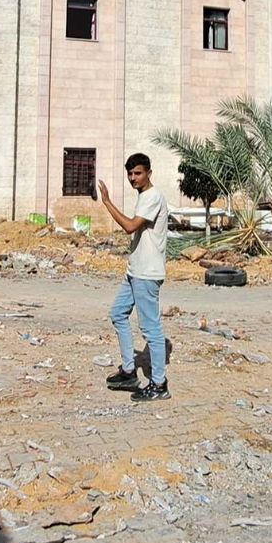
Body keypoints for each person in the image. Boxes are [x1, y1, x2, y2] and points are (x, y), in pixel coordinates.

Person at [98, 152, 171, 402]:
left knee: (151, 330)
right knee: (118, 313)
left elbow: (130, 226)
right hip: (134, 270)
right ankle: (129, 371)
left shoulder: (152, 197)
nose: (133, 178)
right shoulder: (143, 196)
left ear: (149, 173)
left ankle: (159, 384)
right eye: (130, 174)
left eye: (137, 173)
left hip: (147, 274)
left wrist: (107, 202)